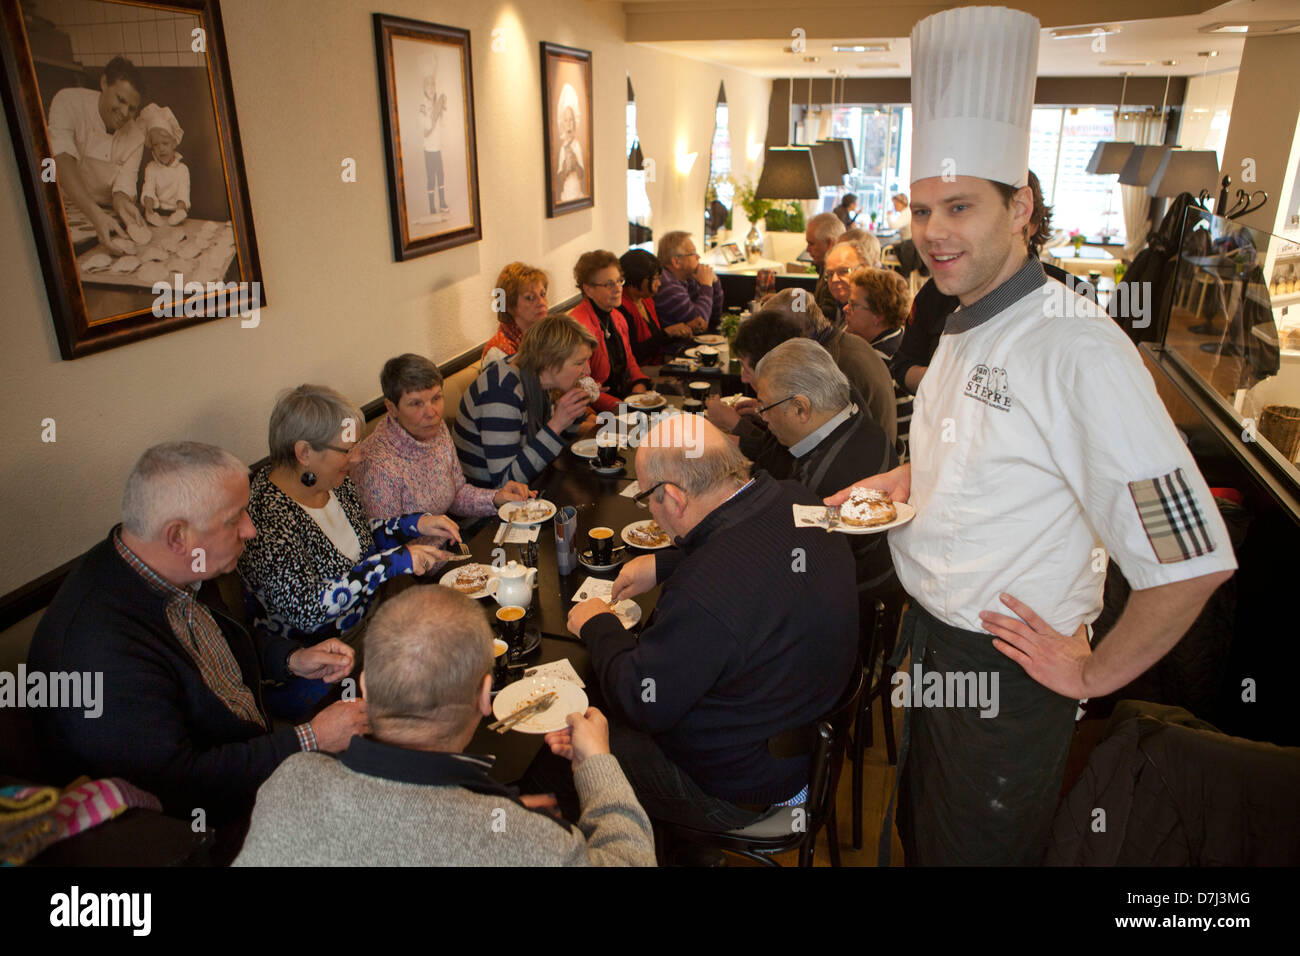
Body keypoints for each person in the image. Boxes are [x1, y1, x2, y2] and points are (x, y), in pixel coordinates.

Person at [827, 5, 1237, 867]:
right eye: (920, 207)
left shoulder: (1081, 348)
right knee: (918, 835)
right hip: (930, 640)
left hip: (1007, 671)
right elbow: (981, 454)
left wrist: (1089, 675)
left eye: (961, 207)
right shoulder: (967, 317)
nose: (933, 231)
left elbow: (1192, 553)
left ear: (1021, 208)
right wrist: (907, 481)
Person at [27, 442, 368, 831]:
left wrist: (291, 659)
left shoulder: (176, 563)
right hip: (203, 825)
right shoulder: (102, 649)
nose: (251, 529)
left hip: (258, 757)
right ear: (178, 537)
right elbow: (181, 784)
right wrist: (311, 738)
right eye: (234, 518)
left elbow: (219, 641)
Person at [567, 415, 858, 831]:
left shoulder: (702, 595)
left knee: (570, 751)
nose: (649, 508)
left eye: (649, 497)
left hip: (746, 787)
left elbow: (641, 698)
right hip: (803, 738)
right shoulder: (803, 500)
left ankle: (669, 849)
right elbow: (755, 550)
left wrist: (598, 625)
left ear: (673, 496)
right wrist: (668, 561)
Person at [234, 586, 655, 866]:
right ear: (484, 695)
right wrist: (597, 763)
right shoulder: (531, 846)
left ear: (363, 685)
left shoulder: (287, 781)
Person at [238, 385, 457, 662]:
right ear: (304, 453)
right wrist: (392, 563)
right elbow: (306, 610)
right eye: (347, 450)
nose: (357, 457)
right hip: (330, 655)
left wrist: (415, 524)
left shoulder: (331, 481)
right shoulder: (265, 517)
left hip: (376, 619)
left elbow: (361, 538)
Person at [753, 339, 897, 605]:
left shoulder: (822, 486)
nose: (764, 418)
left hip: (852, 605)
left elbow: (795, 572)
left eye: (765, 407)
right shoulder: (864, 424)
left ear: (800, 408)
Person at [350, 354, 532, 523]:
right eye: (416, 403)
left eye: (436, 398)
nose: (431, 413)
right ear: (391, 408)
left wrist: (495, 497)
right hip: (416, 557)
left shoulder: (436, 430)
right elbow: (386, 541)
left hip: (449, 546)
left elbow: (456, 494)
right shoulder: (378, 467)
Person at [455, 316, 596, 487]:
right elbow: (505, 484)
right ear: (550, 362)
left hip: (536, 483)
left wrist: (575, 410)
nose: (587, 370)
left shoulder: (536, 374)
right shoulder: (501, 394)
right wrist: (556, 424)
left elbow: (559, 443)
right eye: (580, 363)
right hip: (491, 505)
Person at [760, 287, 898, 444]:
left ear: (798, 333)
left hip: (868, 463)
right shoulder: (847, 341)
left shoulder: (828, 365)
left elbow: (814, 442)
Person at [47, 56, 147, 253]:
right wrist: (94, 214)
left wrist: (123, 204)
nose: (125, 113)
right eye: (120, 100)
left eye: (132, 108)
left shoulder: (136, 136)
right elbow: (62, 157)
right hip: (66, 207)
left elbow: (122, 187)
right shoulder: (68, 101)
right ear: (103, 83)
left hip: (107, 213)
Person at [843, 268, 915, 459]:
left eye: (853, 305)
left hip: (897, 458)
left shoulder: (878, 358)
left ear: (878, 315)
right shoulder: (900, 339)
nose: (845, 309)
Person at [567, 250, 652, 411]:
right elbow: (584, 387)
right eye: (609, 284)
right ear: (588, 289)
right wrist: (626, 408)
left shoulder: (617, 316)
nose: (618, 288)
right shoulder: (577, 326)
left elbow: (630, 363)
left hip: (624, 403)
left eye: (619, 281)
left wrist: (639, 388)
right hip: (595, 411)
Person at [619, 248, 692, 365]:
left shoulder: (646, 300)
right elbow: (635, 354)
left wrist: (682, 330)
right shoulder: (621, 307)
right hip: (640, 370)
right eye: (655, 278)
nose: (659, 283)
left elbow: (656, 341)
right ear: (637, 278)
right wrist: (666, 333)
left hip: (657, 362)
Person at [653, 231, 724, 333]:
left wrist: (714, 282)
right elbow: (700, 324)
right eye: (693, 253)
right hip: (676, 347)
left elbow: (715, 317)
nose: (698, 257)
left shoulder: (688, 279)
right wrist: (707, 285)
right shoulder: (668, 285)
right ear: (676, 262)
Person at [481, 263, 549, 364]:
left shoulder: (546, 335)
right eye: (530, 298)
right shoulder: (497, 352)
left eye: (542, 294)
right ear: (510, 305)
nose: (542, 303)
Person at [137, 104, 190, 226]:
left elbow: (183, 193)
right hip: (157, 215)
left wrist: (180, 211)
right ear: (151, 147)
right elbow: (148, 189)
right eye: (156, 145)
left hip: (178, 215)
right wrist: (149, 210)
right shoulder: (151, 168)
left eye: (165, 143)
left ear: (173, 143)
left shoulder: (182, 169)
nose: (161, 149)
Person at [417, 53, 450, 224]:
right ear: (425, 90)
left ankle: (442, 202)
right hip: (428, 149)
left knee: (441, 174)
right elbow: (426, 128)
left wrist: (436, 64)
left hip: (438, 148)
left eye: (433, 87)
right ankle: (432, 206)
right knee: (431, 177)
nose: (431, 90)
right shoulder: (423, 105)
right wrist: (433, 117)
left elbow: (434, 80)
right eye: (428, 88)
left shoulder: (435, 99)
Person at [823, 229, 882, 323]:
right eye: (830, 274)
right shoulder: (842, 304)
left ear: (865, 268)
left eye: (844, 271)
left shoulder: (874, 311)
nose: (834, 279)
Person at [804, 211, 846, 319]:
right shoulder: (823, 264)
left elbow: (827, 313)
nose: (807, 249)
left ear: (830, 243)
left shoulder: (837, 272)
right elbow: (819, 302)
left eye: (811, 243)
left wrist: (790, 306)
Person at [555, 83, 588, 202]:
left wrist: (574, 162)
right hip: (566, 196)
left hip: (577, 194)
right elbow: (560, 178)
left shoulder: (577, 146)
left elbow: (581, 175)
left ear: (574, 123)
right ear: (562, 124)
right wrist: (565, 167)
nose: (569, 123)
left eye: (571, 120)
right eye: (566, 120)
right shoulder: (563, 148)